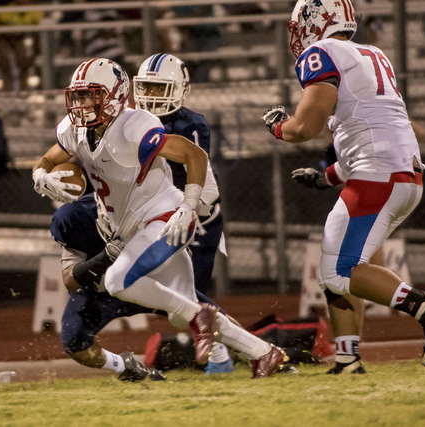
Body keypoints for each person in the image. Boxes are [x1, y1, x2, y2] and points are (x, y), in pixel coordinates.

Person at [34, 57, 285, 378]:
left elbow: (193, 154)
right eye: (78, 96)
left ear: (114, 95)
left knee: (122, 282)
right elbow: (48, 157)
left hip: (162, 218)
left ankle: (209, 332)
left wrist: (188, 206)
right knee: (183, 310)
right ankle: (264, 352)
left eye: (90, 95)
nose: (81, 104)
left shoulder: (132, 126)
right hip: (128, 232)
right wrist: (40, 174)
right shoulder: (74, 136)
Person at [261, 0, 425, 373]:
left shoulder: (323, 52)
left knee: (339, 270)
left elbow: (307, 125)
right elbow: (367, 131)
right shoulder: (372, 54)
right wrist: (326, 177)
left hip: (379, 175)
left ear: (317, 21)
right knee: (340, 264)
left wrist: (278, 127)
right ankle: (348, 359)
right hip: (402, 174)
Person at [51, 193, 235, 380]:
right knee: (74, 342)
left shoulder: (139, 194)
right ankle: (126, 367)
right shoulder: (75, 218)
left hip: (148, 282)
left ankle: (228, 355)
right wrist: (104, 258)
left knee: (217, 320)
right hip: (102, 292)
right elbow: (69, 279)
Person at [133, 53, 224, 297]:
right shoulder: (130, 121)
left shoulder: (190, 124)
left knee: (192, 295)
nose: (151, 96)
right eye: (147, 88)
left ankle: (205, 331)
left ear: (180, 90)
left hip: (196, 214)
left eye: (159, 88)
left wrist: (187, 207)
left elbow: (197, 173)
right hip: (150, 211)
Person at [0, 0, 42, 91]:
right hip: (3, 38)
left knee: (23, 61)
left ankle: (23, 91)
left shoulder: (34, 11)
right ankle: (8, 92)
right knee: (6, 62)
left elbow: (35, 33)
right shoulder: (6, 10)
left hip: (19, 38)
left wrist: (34, 53)